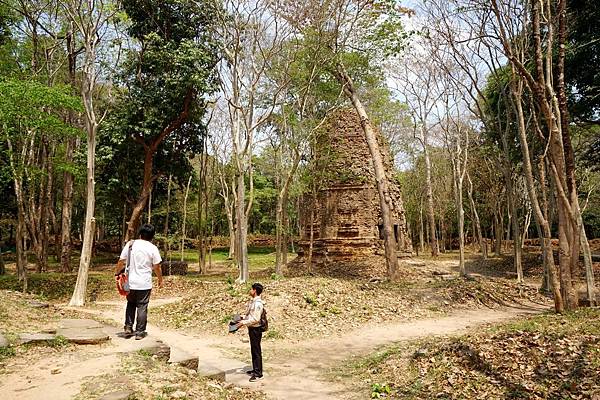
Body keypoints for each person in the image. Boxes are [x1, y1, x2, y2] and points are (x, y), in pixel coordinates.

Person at [115, 224, 163, 340]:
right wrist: (160, 279)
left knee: (130, 303)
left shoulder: (131, 244)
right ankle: (140, 332)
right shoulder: (153, 248)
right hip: (144, 283)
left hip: (129, 281)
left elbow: (121, 261)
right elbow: (157, 267)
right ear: (152, 236)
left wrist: (117, 273)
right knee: (142, 306)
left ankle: (128, 327)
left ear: (140, 234)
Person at [236, 282, 265, 382]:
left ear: (255, 291)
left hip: (256, 329)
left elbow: (256, 319)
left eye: (251, 289)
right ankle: (255, 369)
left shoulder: (258, 304)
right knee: (253, 349)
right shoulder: (253, 302)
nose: (250, 291)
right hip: (252, 328)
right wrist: (242, 318)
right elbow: (251, 316)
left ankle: (258, 373)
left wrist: (243, 323)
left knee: (256, 350)